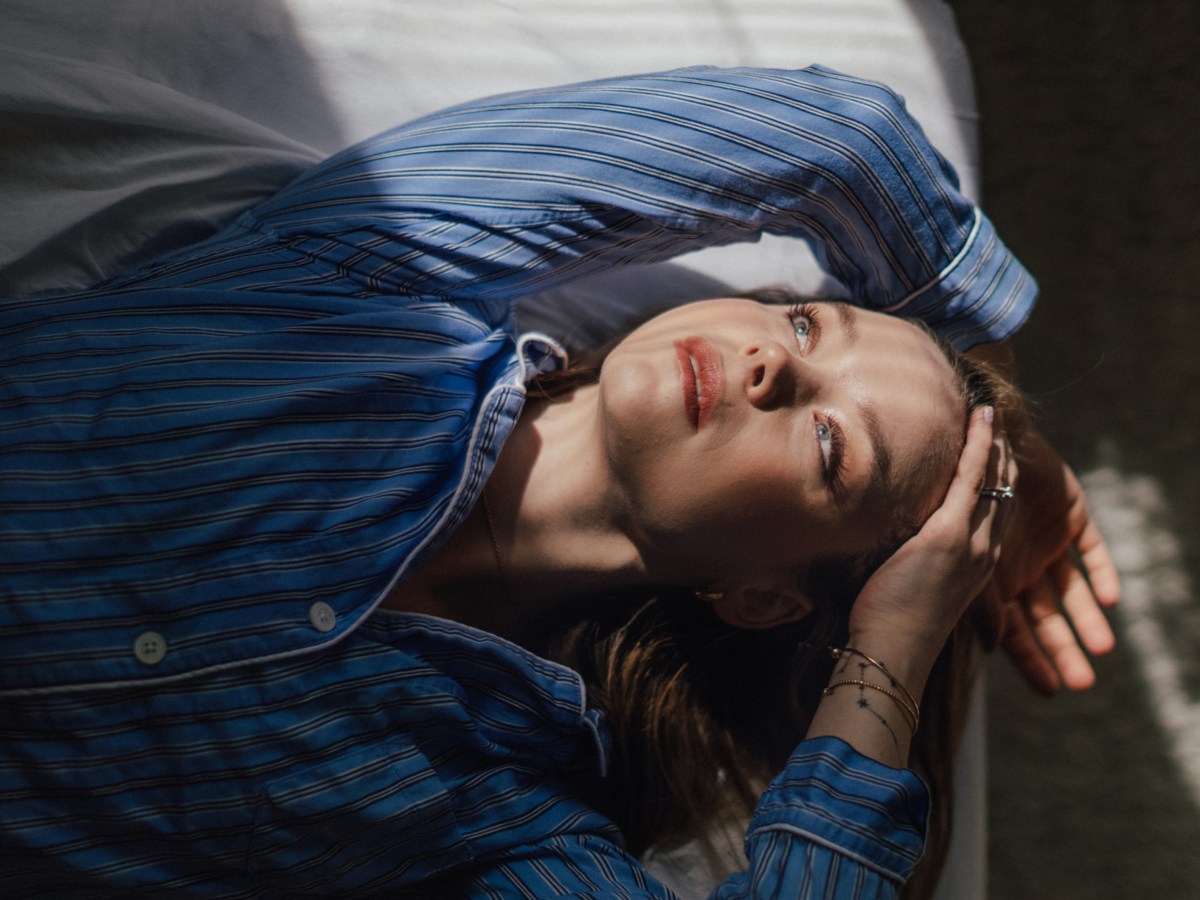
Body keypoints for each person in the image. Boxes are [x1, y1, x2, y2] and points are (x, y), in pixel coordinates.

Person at [0, 66, 1117, 897]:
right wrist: (994, 403)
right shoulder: (376, 282)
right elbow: (841, 142)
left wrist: (892, 659)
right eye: (801, 319)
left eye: (834, 447)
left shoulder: (503, 815)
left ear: (764, 597)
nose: (774, 361)